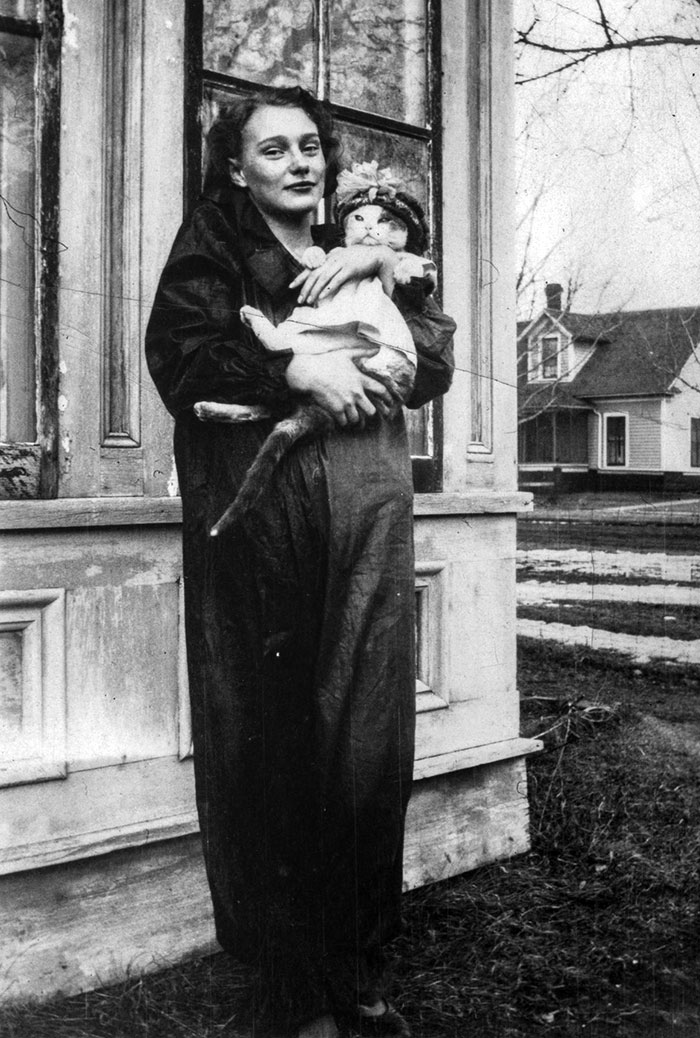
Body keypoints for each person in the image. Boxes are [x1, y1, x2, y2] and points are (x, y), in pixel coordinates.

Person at [145, 85, 456, 1038]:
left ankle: (352, 969)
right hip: (263, 516)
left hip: (366, 507)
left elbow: (434, 363)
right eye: (273, 150)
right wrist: (290, 367)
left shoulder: (359, 244)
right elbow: (181, 353)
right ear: (236, 169)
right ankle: (285, 991)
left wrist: (394, 268)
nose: (300, 162)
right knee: (266, 742)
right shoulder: (212, 248)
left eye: (311, 146)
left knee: (363, 738)